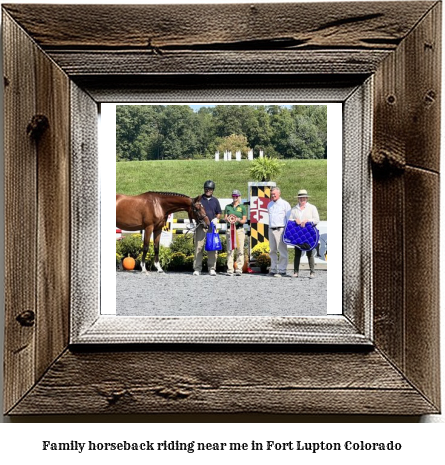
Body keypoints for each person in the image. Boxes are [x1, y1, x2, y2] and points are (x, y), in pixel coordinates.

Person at [288, 189, 320, 279]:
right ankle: (296, 271)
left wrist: (307, 220)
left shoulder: (312, 208)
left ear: (306, 198)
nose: (302, 199)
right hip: (298, 234)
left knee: (310, 253)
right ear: (298, 199)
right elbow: (290, 220)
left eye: (304, 198)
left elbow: (316, 219)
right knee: (297, 253)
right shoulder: (294, 209)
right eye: (300, 198)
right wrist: (295, 220)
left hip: (308, 233)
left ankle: (312, 272)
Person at [193, 180, 222, 276]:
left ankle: (212, 268)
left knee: (212, 248)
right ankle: (197, 268)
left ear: (213, 190)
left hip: (211, 227)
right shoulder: (199, 199)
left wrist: (216, 219)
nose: (208, 190)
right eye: (206, 189)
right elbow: (194, 211)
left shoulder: (215, 200)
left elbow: (219, 213)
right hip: (201, 226)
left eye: (210, 189)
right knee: (199, 247)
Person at [267, 186, 291, 277]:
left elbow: (288, 218)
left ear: (279, 193)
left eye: (274, 194)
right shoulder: (269, 205)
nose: (273, 195)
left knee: (282, 250)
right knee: (272, 250)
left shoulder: (285, 204)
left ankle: (282, 270)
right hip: (271, 228)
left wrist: (287, 231)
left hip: (281, 229)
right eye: (272, 194)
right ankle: (273, 269)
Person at [224, 189, 247, 276]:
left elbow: (244, 220)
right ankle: (230, 269)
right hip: (230, 229)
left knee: (240, 249)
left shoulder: (242, 207)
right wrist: (229, 219)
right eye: (233, 196)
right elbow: (225, 218)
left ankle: (239, 268)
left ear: (239, 197)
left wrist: (238, 219)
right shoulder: (228, 207)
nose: (235, 198)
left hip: (239, 230)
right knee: (230, 249)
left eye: (236, 196)